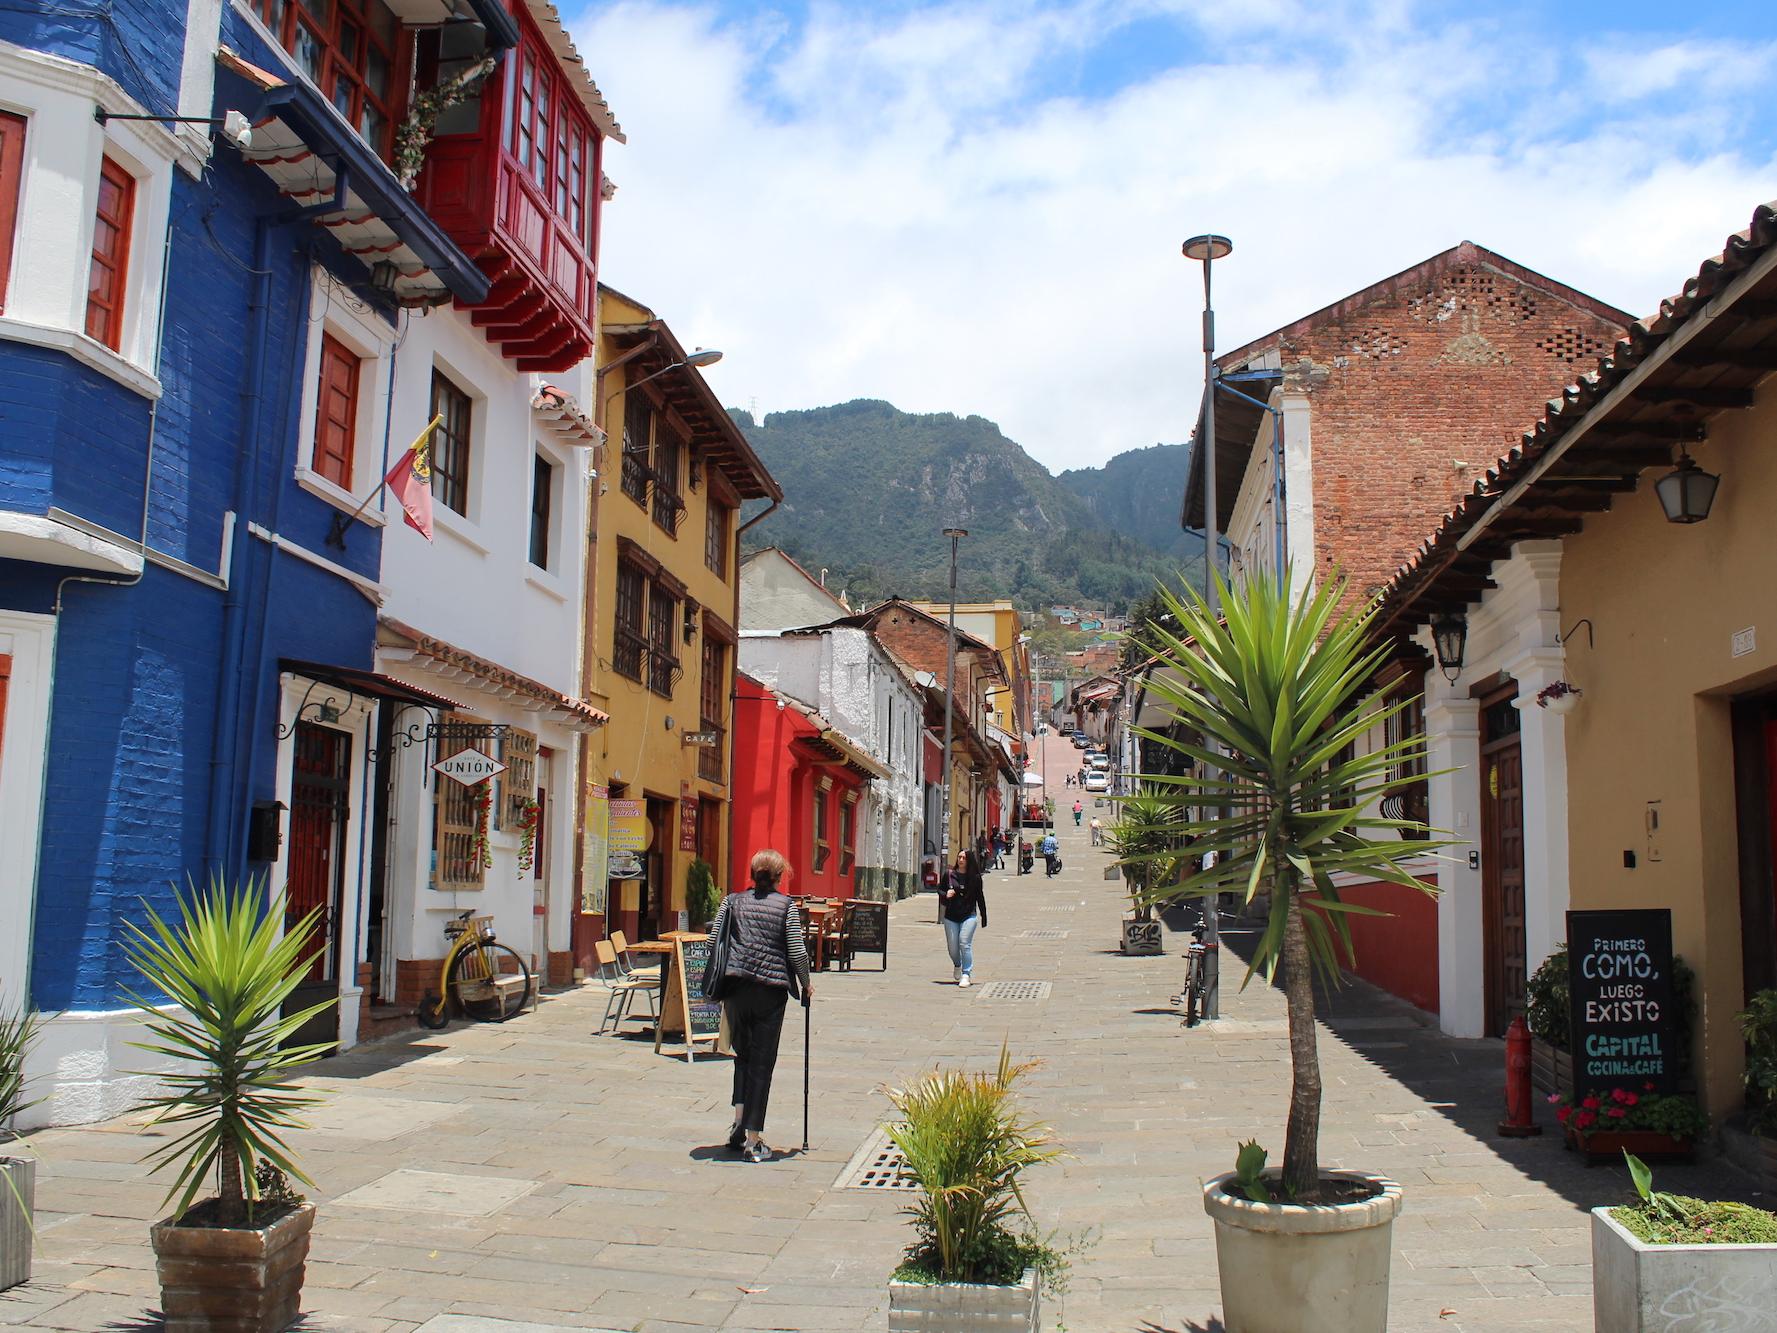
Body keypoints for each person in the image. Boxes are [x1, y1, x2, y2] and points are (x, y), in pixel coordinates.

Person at [711, 850, 811, 1162]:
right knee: (762, 1062)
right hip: (770, 989)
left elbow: (715, 938)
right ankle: (754, 1140)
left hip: (737, 986)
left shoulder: (732, 901)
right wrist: (806, 982)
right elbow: (795, 949)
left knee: (742, 1055)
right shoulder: (786, 906)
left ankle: (738, 1124)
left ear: (753, 873)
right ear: (779, 876)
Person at [940, 849, 988, 986]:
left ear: (969, 861)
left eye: (964, 858)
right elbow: (940, 890)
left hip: (969, 915)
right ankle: (957, 964)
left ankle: (966, 974)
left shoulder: (975, 878)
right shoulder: (949, 875)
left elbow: (980, 897)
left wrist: (984, 916)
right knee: (952, 947)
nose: (960, 860)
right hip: (951, 916)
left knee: (964, 943)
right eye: (959, 857)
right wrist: (945, 894)